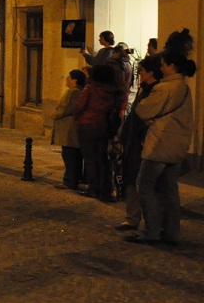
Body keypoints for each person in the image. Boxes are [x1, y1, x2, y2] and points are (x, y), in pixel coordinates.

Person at [128, 30, 196, 246]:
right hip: (177, 144)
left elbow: (143, 110)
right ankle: (172, 232)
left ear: (172, 66)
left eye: (164, 65)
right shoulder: (184, 87)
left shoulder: (164, 88)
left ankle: (151, 231)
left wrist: (148, 115)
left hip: (160, 143)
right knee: (170, 190)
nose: (162, 68)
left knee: (145, 185)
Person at [115, 57, 157, 232]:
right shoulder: (144, 88)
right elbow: (134, 117)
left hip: (144, 143)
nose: (139, 74)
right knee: (131, 179)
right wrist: (124, 138)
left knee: (144, 183)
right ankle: (131, 218)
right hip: (133, 141)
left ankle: (147, 222)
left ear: (151, 72)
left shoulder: (156, 91)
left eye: (142, 71)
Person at [73, 63, 125, 201]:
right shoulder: (114, 91)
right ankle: (104, 189)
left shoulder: (90, 89)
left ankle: (93, 188)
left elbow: (79, 106)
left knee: (90, 158)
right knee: (102, 158)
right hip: (103, 126)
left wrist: (77, 118)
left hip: (87, 125)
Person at [51, 69, 85, 190]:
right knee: (72, 155)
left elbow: (67, 108)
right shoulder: (77, 91)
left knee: (70, 155)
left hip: (69, 129)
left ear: (75, 80)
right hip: (70, 128)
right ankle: (73, 179)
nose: (66, 79)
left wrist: (54, 114)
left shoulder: (74, 92)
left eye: (69, 77)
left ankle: (70, 180)